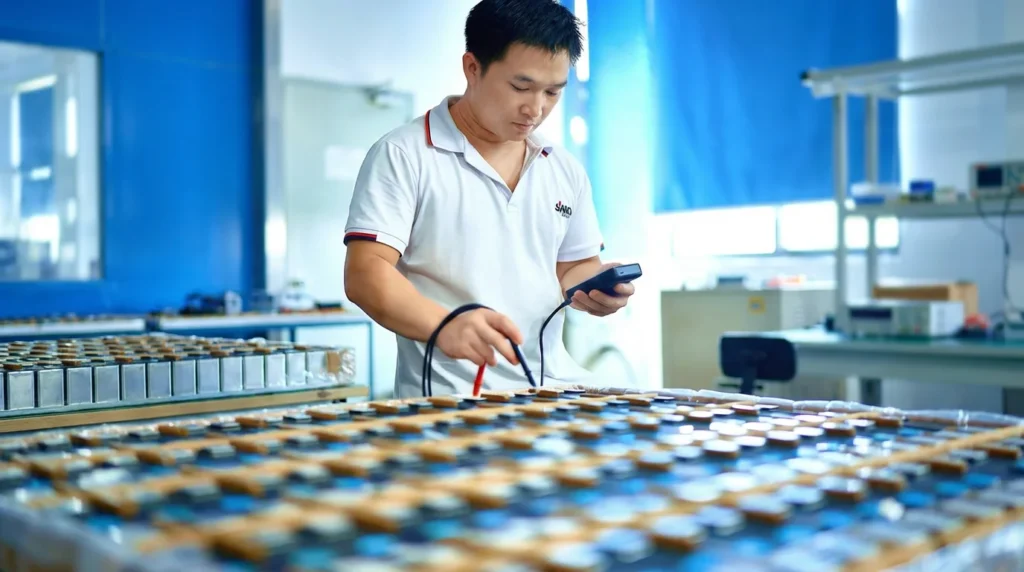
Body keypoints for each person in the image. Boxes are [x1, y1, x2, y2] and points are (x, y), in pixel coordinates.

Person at [343, 0, 635, 398]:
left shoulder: (562, 168)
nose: (536, 109)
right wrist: (443, 323)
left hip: (549, 395)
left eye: (553, 92)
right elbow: (366, 274)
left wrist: (596, 288)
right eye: (521, 87)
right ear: (472, 68)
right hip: (451, 402)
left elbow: (573, 268)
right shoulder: (404, 154)